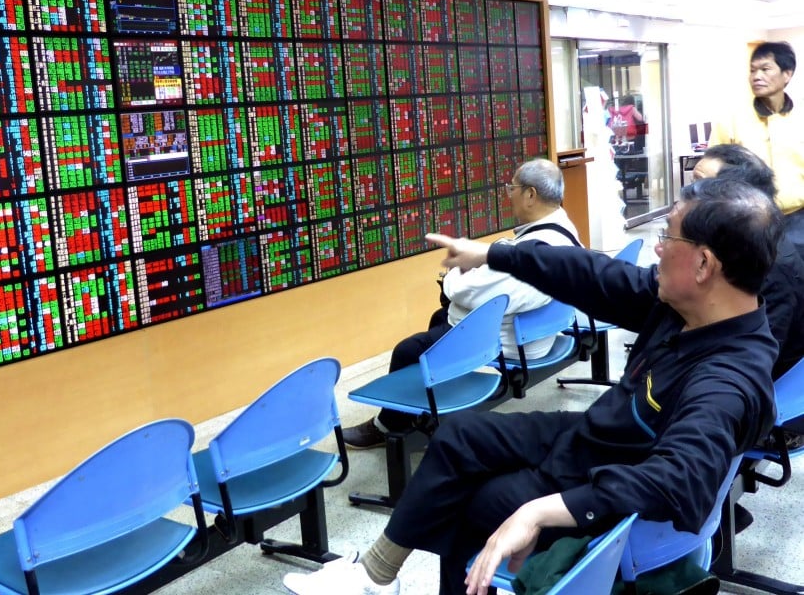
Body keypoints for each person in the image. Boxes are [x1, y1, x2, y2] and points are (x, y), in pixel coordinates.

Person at [283, 178, 779, 595]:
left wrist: (542, 511)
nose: (657, 245)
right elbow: (590, 273)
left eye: (668, 236)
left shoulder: (728, 379)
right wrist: (494, 255)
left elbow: (677, 480)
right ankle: (377, 573)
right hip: (596, 434)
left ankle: (404, 577)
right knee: (459, 438)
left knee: (478, 505)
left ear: (703, 265)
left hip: (612, 470)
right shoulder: (686, 305)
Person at [343, 159, 581, 449]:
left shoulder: (534, 252)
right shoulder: (564, 232)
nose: (509, 194)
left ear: (530, 195)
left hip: (514, 345)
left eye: (512, 188)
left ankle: (387, 426)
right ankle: (425, 407)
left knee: (407, 350)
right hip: (536, 330)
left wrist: (454, 273)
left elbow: (465, 292)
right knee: (439, 317)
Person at [692, 144, 804, 380]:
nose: (686, 195)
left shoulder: (771, 271)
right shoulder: (731, 245)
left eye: (697, 185)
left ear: (737, 201)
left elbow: (755, 363)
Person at [712, 41, 804, 254]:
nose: (756, 76)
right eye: (753, 70)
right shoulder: (732, 118)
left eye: (765, 69)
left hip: (799, 219)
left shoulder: (800, 117)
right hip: (750, 221)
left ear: (787, 74)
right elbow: (712, 170)